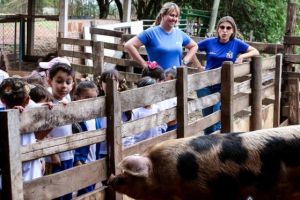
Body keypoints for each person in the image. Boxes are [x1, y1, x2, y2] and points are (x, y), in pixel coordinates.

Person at [194, 16, 260, 134]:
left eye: (228, 28)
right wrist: (199, 66)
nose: (225, 30)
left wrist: (241, 56)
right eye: (222, 27)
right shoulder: (210, 42)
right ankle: (208, 148)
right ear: (218, 29)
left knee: (217, 117)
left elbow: (255, 51)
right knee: (207, 120)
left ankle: (218, 146)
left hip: (223, 86)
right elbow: (192, 47)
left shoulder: (236, 44)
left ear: (232, 30)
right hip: (206, 85)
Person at [124, 2, 198, 70]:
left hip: (176, 78)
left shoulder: (179, 34)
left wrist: (185, 61)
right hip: (157, 79)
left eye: (176, 16)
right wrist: (144, 64)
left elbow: (194, 46)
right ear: (163, 15)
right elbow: (129, 45)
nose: (174, 19)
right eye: (172, 15)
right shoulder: (150, 33)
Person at [0, 78, 43, 182]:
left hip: (7, 175)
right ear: (27, 100)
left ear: (2, 100)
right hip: (31, 173)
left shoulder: (1, 115)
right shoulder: (30, 116)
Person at [47, 62, 75, 200]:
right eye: (59, 81)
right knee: (54, 193)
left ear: (73, 84)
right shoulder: (46, 103)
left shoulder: (67, 98)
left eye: (68, 82)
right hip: (53, 157)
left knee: (67, 191)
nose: (64, 86)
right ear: (49, 81)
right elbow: (40, 133)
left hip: (68, 154)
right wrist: (52, 153)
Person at [72, 81, 102, 196]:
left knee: (89, 190)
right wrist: (77, 159)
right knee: (86, 192)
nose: (91, 101)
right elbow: (71, 141)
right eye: (87, 98)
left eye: (94, 98)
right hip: (81, 161)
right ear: (77, 98)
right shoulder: (74, 119)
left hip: (93, 159)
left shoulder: (96, 116)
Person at [123, 76, 167, 147]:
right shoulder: (135, 111)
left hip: (155, 145)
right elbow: (129, 132)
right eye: (147, 92)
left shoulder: (157, 108)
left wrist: (159, 135)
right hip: (139, 147)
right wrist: (132, 148)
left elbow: (163, 124)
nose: (150, 95)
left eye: (152, 92)